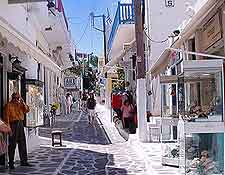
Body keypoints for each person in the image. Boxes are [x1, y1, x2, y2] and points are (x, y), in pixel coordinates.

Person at [3, 92, 32, 169]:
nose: (16, 99)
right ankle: (11, 162)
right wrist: (9, 129)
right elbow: (6, 118)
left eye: (18, 98)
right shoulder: (8, 105)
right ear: (12, 98)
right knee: (12, 144)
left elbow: (27, 110)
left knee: (22, 143)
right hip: (13, 125)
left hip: (20, 124)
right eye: (15, 98)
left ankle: (24, 161)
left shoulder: (20, 105)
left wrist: (23, 103)